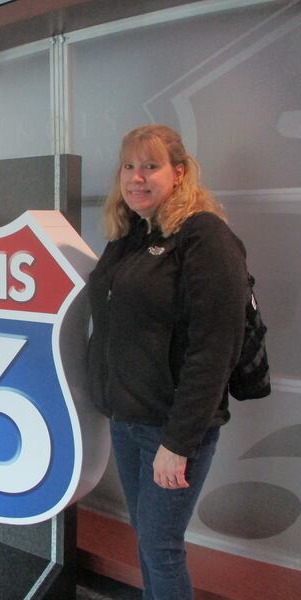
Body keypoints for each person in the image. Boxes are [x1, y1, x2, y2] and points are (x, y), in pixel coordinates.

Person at [87, 125, 247, 599]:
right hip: (128, 420)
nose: (137, 177)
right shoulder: (130, 235)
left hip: (172, 430)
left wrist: (178, 443)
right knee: (148, 538)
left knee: (160, 545)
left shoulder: (204, 236)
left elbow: (215, 348)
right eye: (129, 167)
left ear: (178, 173)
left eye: (150, 166)